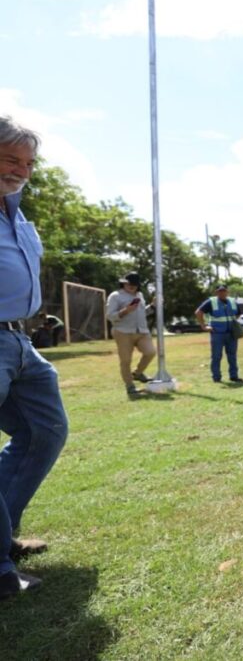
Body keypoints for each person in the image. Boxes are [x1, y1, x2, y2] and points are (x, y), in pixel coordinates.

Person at [0, 115, 69, 598]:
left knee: (45, 430)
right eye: (10, 159)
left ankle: (4, 538)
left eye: (28, 163)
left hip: (19, 341)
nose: (21, 170)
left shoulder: (18, 215)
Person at [105, 271, 155, 397]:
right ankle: (130, 386)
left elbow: (143, 313)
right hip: (123, 332)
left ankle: (138, 373)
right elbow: (110, 316)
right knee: (126, 360)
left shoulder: (140, 295)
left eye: (134, 284)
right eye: (129, 284)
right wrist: (125, 311)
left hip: (142, 331)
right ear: (123, 283)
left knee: (150, 352)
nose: (131, 286)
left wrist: (153, 306)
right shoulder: (115, 296)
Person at [195, 285, 243, 383]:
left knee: (232, 356)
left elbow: (238, 313)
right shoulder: (211, 302)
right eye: (220, 291)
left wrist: (233, 322)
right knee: (216, 356)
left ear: (227, 292)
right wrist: (204, 326)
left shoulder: (232, 301)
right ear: (216, 292)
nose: (222, 293)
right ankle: (216, 377)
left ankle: (234, 376)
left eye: (224, 291)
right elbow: (198, 312)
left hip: (231, 333)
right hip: (217, 333)